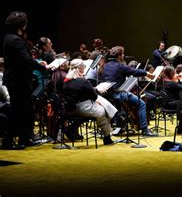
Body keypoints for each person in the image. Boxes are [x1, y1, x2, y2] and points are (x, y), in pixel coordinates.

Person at [2, 11, 55, 149]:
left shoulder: (8, 37)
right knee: (20, 110)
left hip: (15, 79)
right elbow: (25, 59)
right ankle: (11, 141)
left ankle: (24, 139)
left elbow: (22, 59)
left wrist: (37, 63)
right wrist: (43, 68)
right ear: (21, 25)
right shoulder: (15, 40)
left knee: (24, 110)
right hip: (18, 80)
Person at [103, 46, 156, 136]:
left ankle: (120, 127)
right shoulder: (120, 66)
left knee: (118, 107)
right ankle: (144, 129)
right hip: (118, 93)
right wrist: (147, 73)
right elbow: (134, 71)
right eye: (122, 54)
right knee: (141, 103)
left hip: (108, 94)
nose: (123, 56)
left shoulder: (106, 65)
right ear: (119, 56)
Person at [63, 59, 117, 145]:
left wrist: (94, 89)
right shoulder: (83, 81)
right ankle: (107, 138)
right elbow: (94, 96)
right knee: (103, 112)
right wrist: (97, 91)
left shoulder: (66, 81)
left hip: (70, 108)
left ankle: (72, 127)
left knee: (101, 108)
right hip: (83, 108)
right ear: (80, 68)